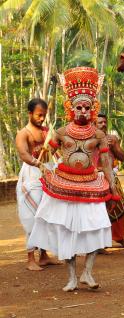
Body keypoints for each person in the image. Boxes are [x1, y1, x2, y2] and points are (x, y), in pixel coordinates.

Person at [28, 66, 119, 291]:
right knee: (66, 231)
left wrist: (113, 187)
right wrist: (44, 167)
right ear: (70, 108)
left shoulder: (99, 136)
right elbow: (46, 152)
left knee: (98, 226)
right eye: (78, 107)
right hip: (64, 185)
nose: (82, 111)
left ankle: (87, 272)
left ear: (93, 109)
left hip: (91, 184)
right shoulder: (60, 132)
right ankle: (71, 277)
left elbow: (106, 164)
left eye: (87, 108)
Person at [15, 98, 60, 271]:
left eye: (44, 115)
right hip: (31, 175)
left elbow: (53, 151)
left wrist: (51, 148)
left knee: (46, 215)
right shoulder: (23, 133)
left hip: (47, 174)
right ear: (30, 114)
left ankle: (43, 256)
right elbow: (24, 154)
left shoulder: (46, 131)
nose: (42, 118)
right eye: (39, 115)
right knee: (31, 216)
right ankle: (30, 258)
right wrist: (38, 163)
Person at [95, 113, 124, 248]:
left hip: (111, 178)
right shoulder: (88, 139)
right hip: (95, 179)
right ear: (93, 125)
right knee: (97, 211)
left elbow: (122, 157)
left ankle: (118, 237)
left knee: (118, 206)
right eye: (99, 122)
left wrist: (113, 147)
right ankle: (99, 243)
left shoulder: (112, 139)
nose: (103, 124)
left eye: (104, 122)